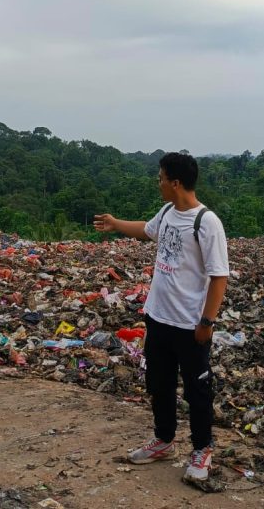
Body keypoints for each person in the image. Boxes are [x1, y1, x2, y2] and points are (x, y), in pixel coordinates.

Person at [94, 152, 229, 483]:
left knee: (197, 391)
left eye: (161, 178)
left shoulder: (207, 223)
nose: (158, 184)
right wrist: (116, 224)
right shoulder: (169, 212)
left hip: (189, 325)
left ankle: (201, 449)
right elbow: (147, 230)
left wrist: (207, 323)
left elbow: (219, 276)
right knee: (159, 383)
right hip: (158, 317)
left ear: (176, 183)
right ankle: (164, 440)